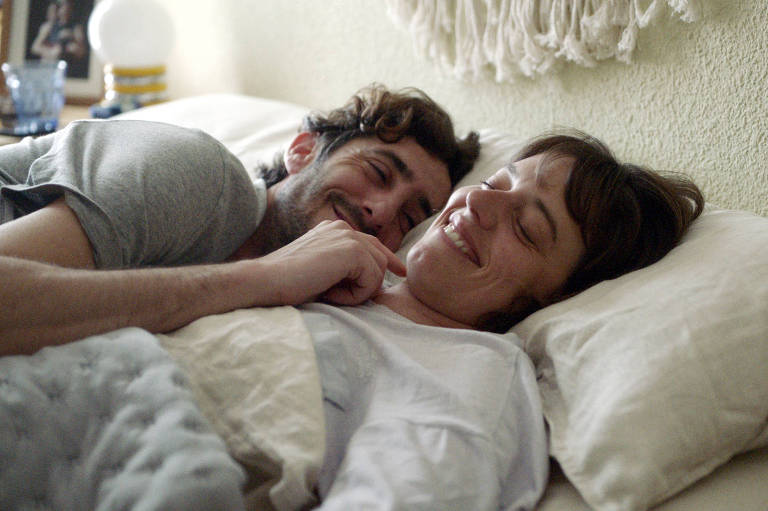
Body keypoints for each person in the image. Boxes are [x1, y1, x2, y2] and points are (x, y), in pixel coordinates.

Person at [0, 128, 705, 511]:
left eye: (526, 226)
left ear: (551, 298)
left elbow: (412, 488)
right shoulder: (285, 247)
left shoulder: (472, 373)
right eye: (494, 184)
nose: (476, 207)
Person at [0, 84, 480, 356]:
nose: (381, 211)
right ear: (302, 151)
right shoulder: (200, 175)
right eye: (376, 171)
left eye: (411, 217)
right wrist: (266, 278)